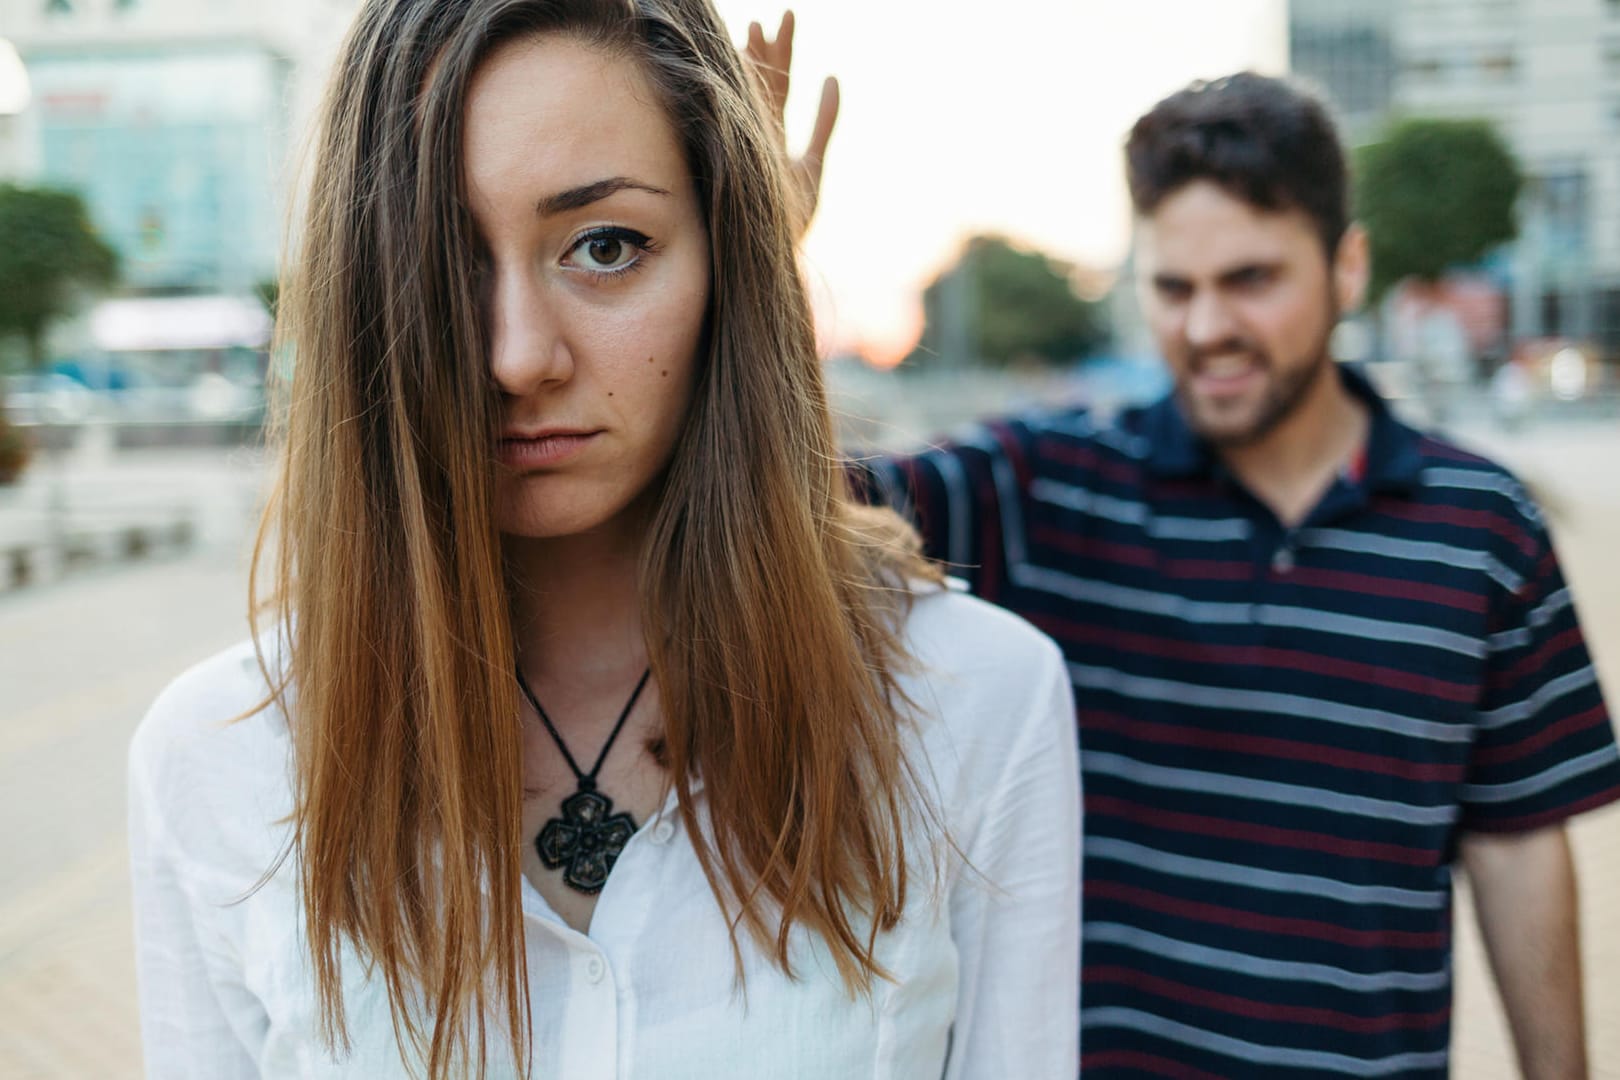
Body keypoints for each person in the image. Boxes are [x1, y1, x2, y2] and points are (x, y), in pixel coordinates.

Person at [126, 2, 1079, 1077]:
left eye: (606, 246)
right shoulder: (218, 759)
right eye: (445, 262)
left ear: (734, 268)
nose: (518, 357)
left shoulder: (972, 703)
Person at [855, 73, 1620, 1077]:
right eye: (1175, 288)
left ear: (1348, 268)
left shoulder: (1484, 527)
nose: (1206, 326)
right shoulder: (1048, 489)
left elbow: (1516, 846)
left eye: (1251, 279)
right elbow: (789, 506)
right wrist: (748, 258)